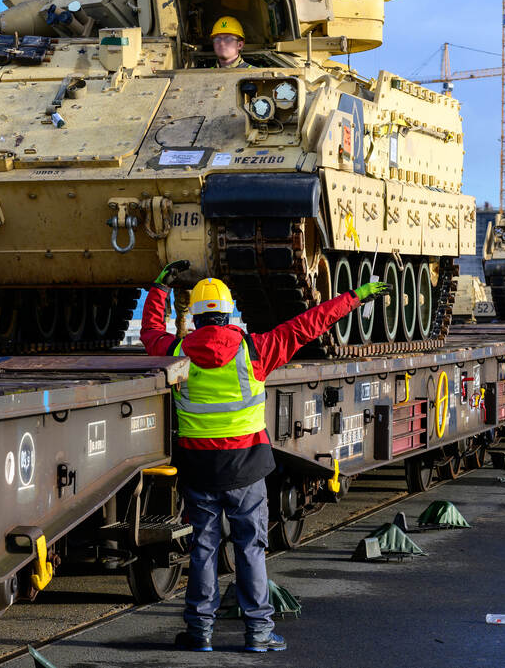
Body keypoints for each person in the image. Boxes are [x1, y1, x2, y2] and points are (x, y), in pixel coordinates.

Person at [141, 261, 390, 653]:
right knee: (250, 549)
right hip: (246, 469)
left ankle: (199, 633)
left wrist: (159, 288)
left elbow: (150, 332)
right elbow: (310, 323)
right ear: (227, 314)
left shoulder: (175, 351)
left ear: (196, 316)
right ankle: (258, 633)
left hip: (200, 469)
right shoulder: (254, 349)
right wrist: (355, 297)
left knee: (203, 550)